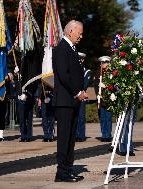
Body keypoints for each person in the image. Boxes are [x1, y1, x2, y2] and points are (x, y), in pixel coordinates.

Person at [52, 20, 87, 182]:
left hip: (72, 100)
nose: (81, 36)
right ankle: (62, 172)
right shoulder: (61, 49)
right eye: (79, 32)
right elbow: (64, 75)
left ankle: (68, 169)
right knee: (64, 137)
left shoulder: (72, 49)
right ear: (70, 31)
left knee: (71, 138)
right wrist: (77, 92)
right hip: (65, 101)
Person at [94, 56, 113, 142]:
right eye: (103, 63)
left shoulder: (112, 73)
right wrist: (98, 94)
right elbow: (95, 85)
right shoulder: (98, 73)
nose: (104, 64)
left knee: (108, 118)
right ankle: (104, 134)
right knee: (102, 118)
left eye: (106, 62)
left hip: (109, 99)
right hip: (101, 99)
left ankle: (108, 135)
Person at [76, 52, 91, 142]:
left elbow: (84, 85)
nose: (80, 60)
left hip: (81, 95)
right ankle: (76, 135)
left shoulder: (86, 71)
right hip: (74, 96)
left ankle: (81, 135)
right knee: (75, 117)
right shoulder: (73, 70)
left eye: (81, 59)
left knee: (81, 117)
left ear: (83, 60)